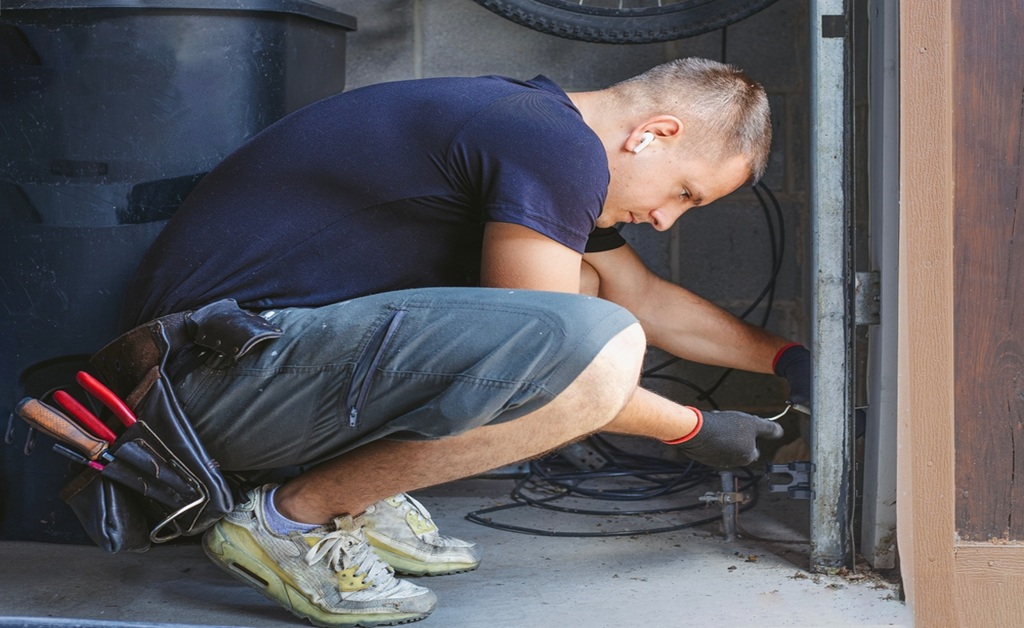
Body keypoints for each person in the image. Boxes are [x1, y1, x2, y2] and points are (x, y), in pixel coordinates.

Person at [119, 57, 811, 626]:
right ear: (652, 134)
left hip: (246, 369)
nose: (664, 220)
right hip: (199, 389)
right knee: (586, 337)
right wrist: (694, 429)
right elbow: (559, 360)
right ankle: (287, 519)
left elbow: (647, 298)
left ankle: (354, 496)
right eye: (685, 194)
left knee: (591, 297)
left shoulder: (535, 133)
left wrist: (791, 360)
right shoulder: (555, 145)